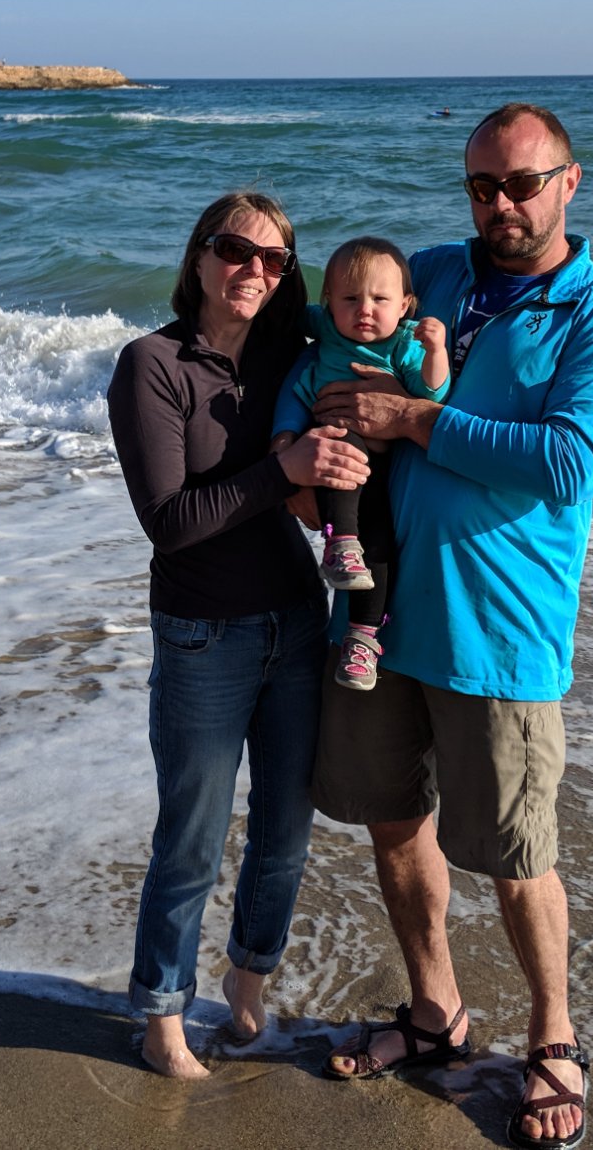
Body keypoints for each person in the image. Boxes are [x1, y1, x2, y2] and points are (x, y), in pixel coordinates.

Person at [310, 105, 593, 1150]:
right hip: (379, 612)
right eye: (479, 187)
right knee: (391, 820)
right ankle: (433, 1012)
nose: (498, 206)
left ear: (568, 182)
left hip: (498, 627)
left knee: (513, 850)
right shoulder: (431, 275)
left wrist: (414, 420)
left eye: (519, 184)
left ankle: (553, 1036)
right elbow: (333, 338)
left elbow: (568, 464)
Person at [106, 191, 373, 1078]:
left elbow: (378, 354)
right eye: (234, 251)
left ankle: (247, 993)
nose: (252, 271)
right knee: (192, 833)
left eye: (273, 261)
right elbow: (172, 522)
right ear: (199, 258)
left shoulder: (290, 362)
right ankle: (162, 1020)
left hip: (297, 624)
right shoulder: (152, 366)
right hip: (202, 637)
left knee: (286, 832)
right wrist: (282, 470)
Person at [271, 237, 449, 691]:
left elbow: (432, 396)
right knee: (341, 438)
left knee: (381, 544)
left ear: (406, 305)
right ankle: (340, 543)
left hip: (381, 470)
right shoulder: (327, 329)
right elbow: (278, 308)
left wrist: (436, 352)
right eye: (350, 298)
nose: (364, 309)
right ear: (328, 303)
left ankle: (363, 640)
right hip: (336, 448)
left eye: (380, 299)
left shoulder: (404, 346)